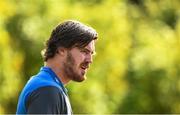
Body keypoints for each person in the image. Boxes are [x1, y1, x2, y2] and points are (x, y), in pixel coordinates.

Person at [16, 20, 98, 114]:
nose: (90, 60)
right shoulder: (47, 90)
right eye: (84, 51)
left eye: (92, 53)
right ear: (61, 50)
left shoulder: (49, 86)